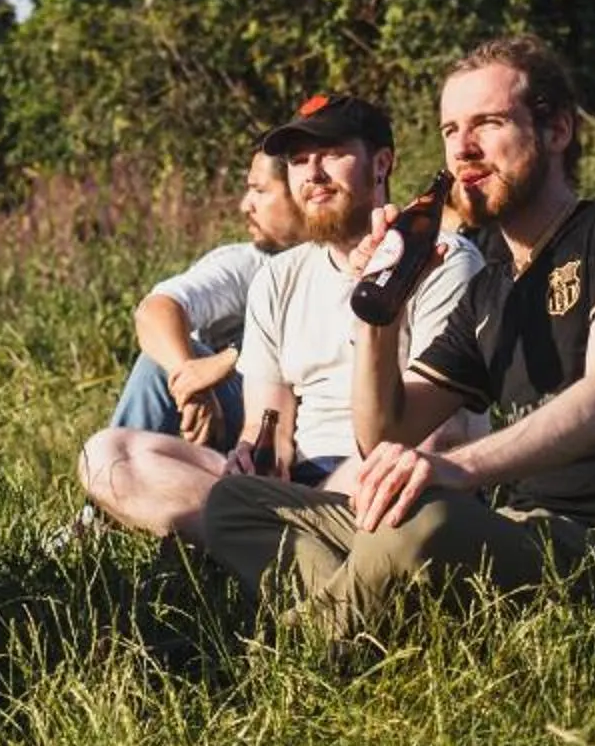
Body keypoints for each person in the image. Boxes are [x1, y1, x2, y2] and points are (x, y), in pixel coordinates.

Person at [202, 39, 595, 634]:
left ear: (556, 130)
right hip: (513, 531)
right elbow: (384, 432)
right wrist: (379, 309)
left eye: (488, 124)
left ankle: (304, 641)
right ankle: (370, 609)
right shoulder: (491, 285)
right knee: (233, 505)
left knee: (420, 518)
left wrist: (459, 470)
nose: (463, 149)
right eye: (450, 130)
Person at [75, 93, 478, 547]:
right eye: (299, 161)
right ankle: (293, 539)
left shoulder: (439, 258)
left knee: (406, 456)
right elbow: (269, 423)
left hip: (385, 473)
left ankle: (258, 541)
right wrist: (253, 458)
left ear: (381, 164)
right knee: (109, 454)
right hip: (294, 488)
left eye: (330, 154)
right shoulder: (278, 277)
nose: (313, 173)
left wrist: (301, 497)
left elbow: (439, 431)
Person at [108, 143, 302, 444]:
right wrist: (193, 384)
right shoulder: (247, 265)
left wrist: (228, 360)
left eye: (260, 191)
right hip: (246, 420)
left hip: (315, 425)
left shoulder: (348, 259)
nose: (245, 205)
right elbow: (156, 311)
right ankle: (116, 466)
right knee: (159, 364)